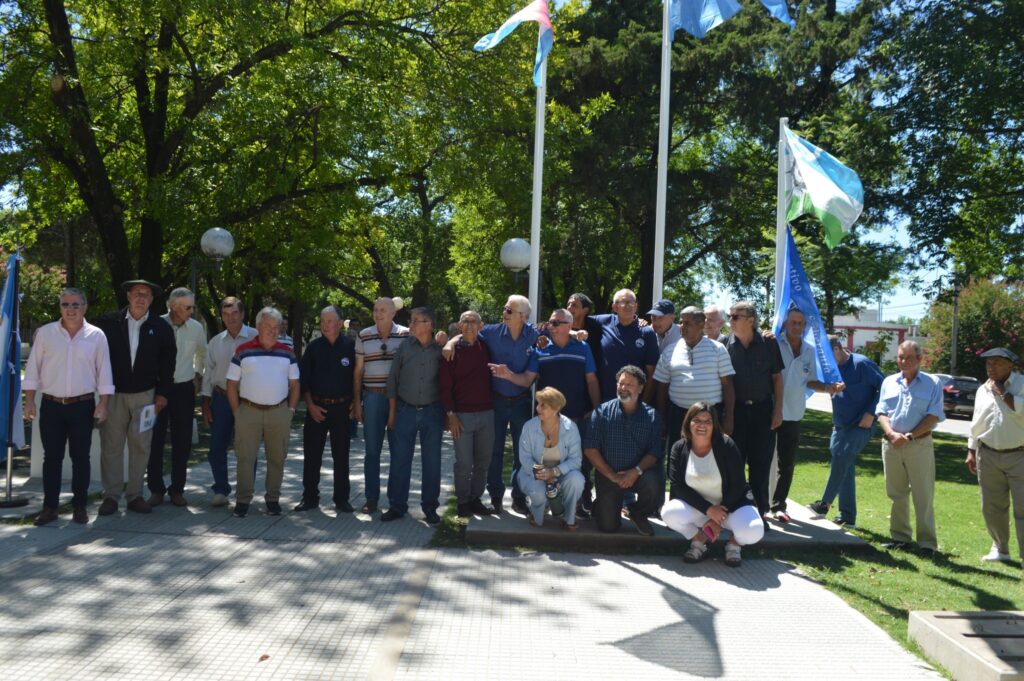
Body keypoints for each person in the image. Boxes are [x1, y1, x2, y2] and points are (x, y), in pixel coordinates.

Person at [23, 288, 114, 526]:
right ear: (60, 307)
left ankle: (80, 507)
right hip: (51, 405)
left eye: (75, 304)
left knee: (80, 458)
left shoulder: (97, 336)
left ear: (84, 307)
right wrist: (30, 400)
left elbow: (104, 372)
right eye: (65, 305)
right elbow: (33, 368)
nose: (70, 309)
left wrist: (103, 404)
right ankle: (49, 507)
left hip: (82, 406)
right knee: (51, 458)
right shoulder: (45, 333)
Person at [95, 280, 176, 516]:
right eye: (137, 293)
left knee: (141, 446)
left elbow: (167, 364)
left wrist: (162, 394)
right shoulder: (108, 323)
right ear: (128, 295)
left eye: (147, 295)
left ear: (152, 300)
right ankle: (110, 496)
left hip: (146, 397)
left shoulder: (161, 327)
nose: (141, 298)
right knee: (111, 446)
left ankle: (135, 495)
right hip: (114, 395)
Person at [662, 402, 764, 567]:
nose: (702, 425)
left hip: (731, 506)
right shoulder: (679, 448)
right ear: (689, 423)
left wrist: (718, 517)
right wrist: (709, 510)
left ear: (714, 425)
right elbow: (678, 486)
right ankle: (699, 540)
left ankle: (734, 544)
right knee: (669, 512)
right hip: (700, 508)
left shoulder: (726, 445)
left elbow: (738, 484)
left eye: (708, 421)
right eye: (697, 420)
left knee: (754, 530)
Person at [226, 306, 300, 518]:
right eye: (268, 326)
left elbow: (295, 384)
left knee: (277, 458)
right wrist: (236, 412)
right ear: (258, 326)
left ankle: (273, 500)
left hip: (279, 412)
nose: (273, 330)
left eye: (276, 327)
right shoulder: (243, 350)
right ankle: (242, 500)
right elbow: (231, 384)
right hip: (248, 412)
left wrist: (291, 410)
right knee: (245, 458)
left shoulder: (287, 353)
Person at [876, 341, 944, 557]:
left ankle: (927, 544)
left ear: (920, 359)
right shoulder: (889, 382)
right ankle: (900, 538)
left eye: (908, 358)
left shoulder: (933, 383)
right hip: (891, 445)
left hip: (919, 445)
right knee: (896, 494)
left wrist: (909, 436)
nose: (903, 362)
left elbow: (934, 415)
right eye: (900, 357)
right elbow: (882, 412)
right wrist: (891, 434)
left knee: (923, 495)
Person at [808, 336, 884, 528]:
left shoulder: (862, 364)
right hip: (840, 425)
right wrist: (827, 387)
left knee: (842, 457)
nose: (824, 361)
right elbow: (812, 382)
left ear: (836, 350)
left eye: (826, 356)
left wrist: (871, 413)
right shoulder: (830, 369)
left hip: (862, 424)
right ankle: (847, 517)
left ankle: (824, 505)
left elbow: (884, 389)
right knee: (844, 467)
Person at [770, 308, 837, 522]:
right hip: (769, 412)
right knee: (761, 459)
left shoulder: (809, 350)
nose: (797, 327)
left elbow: (811, 381)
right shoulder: (773, 344)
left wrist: (828, 387)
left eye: (800, 323)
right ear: (786, 324)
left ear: (805, 326)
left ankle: (778, 505)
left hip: (794, 413)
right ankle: (757, 502)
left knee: (787, 463)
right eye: (793, 322)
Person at [583, 365, 664, 535]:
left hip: (639, 475)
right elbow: (590, 449)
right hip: (608, 475)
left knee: (654, 483)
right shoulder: (601, 412)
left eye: (629, 384)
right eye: (621, 384)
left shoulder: (652, 416)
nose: (623, 388)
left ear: (641, 388)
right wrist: (611, 475)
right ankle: (602, 504)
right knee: (608, 527)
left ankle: (637, 512)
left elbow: (655, 451)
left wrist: (635, 471)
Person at [147, 287, 205, 508]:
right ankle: (156, 489)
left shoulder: (196, 328)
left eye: (192, 307)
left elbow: (203, 352)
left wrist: (198, 374)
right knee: (155, 440)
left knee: (183, 441)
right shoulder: (155, 324)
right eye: (187, 307)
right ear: (173, 306)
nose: (191, 311)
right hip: (158, 390)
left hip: (183, 390)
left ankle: (177, 489)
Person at [725, 301, 783, 522]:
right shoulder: (725, 344)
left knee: (760, 466)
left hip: (762, 412)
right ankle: (736, 511)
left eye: (735, 316)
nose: (730, 320)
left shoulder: (768, 344)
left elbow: (777, 379)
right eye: (729, 316)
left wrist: (778, 411)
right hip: (736, 412)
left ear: (751, 320)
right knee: (734, 464)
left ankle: (759, 514)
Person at [384, 306, 443, 523]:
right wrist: (392, 413)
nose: (411, 324)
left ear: (428, 324)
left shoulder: (441, 347)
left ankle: (430, 508)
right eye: (411, 320)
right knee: (399, 460)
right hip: (404, 410)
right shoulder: (404, 347)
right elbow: (393, 380)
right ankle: (397, 506)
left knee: (432, 462)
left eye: (416, 321)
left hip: (432, 412)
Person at [295, 305, 356, 513]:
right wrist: (310, 406)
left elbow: (358, 378)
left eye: (329, 321)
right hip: (317, 408)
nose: (325, 325)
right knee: (312, 455)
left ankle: (342, 499)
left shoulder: (351, 347)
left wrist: (356, 403)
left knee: (341, 456)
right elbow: (305, 381)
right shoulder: (313, 348)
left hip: (342, 409)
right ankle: (310, 497)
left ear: (340, 323)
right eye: (322, 321)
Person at [966, 347, 1024, 562]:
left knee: (1022, 506)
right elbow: (977, 421)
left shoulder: (1021, 384)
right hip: (988, 454)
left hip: (1019, 454)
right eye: (988, 363)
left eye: (997, 362)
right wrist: (971, 450)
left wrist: (1003, 392)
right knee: (991, 506)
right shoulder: (983, 389)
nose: (991, 367)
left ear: (1011, 365)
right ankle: (1000, 549)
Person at [649, 306, 735, 448]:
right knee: (679, 461)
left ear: (701, 325)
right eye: (681, 322)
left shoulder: (718, 349)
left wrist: (729, 418)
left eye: (687, 323)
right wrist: (662, 419)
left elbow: (728, 385)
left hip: (710, 417)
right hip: (678, 417)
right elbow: (662, 388)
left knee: (711, 462)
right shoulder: (670, 350)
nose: (682, 326)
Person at [353, 297, 408, 514]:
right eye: (375, 310)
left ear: (393, 313)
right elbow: (358, 372)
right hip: (372, 397)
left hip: (399, 400)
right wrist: (357, 402)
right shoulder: (364, 335)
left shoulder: (405, 335)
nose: (378, 313)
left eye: (383, 310)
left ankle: (396, 501)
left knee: (399, 452)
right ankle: (371, 498)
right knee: (371, 451)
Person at [200, 297, 257, 506]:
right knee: (216, 447)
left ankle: (245, 492)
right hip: (221, 399)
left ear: (242, 314)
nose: (230, 318)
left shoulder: (256, 337)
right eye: (226, 314)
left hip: (247, 401)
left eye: (234, 313)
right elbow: (208, 374)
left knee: (247, 449)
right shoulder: (215, 342)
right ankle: (221, 490)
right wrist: (205, 403)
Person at [439, 310, 495, 518]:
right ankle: (462, 501)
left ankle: (475, 499)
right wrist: (450, 414)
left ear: (481, 326)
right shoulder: (450, 352)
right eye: (466, 321)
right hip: (461, 416)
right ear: (459, 325)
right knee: (463, 463)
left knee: (483, 461)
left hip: (487, 413)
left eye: (474, 322)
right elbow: (444, 387)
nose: (470, 325)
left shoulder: (487, 347)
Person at [518, 387, 585, 530]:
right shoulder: (529, 427)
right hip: (533, 474)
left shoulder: (571, 428)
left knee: (577, 480)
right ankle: (538, 512)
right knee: (538, 492)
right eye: (538, 403)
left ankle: (568, 518)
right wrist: (544, 475)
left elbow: (576, 460)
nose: (538, 408)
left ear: (556, 408)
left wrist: (554, 472)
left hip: (561, 475)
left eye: (543, 405)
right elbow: (525, 459)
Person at [590, 289, 659, 403]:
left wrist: (644, 403)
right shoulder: (602, 322)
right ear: (614, 307)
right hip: (605, 399)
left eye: (632, 302)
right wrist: (573, 332)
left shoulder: (647, 332)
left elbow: (652, 371)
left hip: (634, 401)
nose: (629, 306)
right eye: (624, 302)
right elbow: (576, 321)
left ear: (636, 306)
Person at [567, 292, 604, 371]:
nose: (569, 308)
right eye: (568, 304)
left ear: (585, 310)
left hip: (589, 375)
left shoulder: (595, 328)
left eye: (574, 305)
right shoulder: (559, 324)